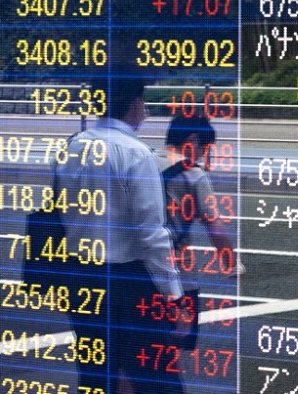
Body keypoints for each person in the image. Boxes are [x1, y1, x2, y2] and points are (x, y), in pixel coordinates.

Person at [57, 73, 188, 394]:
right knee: (157, 378)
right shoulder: (136, 154)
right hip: (129, 281)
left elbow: (61, 213)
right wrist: (175, 297)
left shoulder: (72, 146)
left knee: (97, 376)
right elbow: (152, 236)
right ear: (136, 104)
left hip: (82, 277)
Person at [158, 115, 241, 350]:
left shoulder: (141, 162)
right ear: (192, 141)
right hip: (178, 276)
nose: (205, 156)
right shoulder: (193, 175)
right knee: (172, 350)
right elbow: (214, 225)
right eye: (205, 149)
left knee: (137, 356)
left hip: (138, 272)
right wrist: (231, 264)